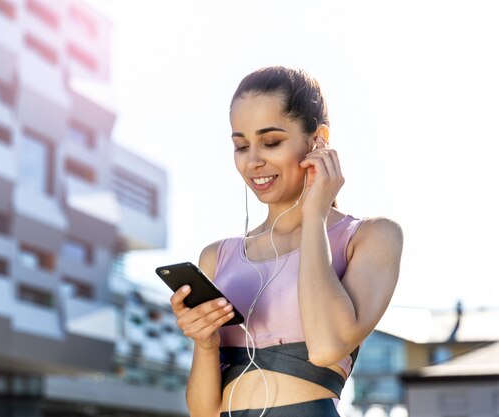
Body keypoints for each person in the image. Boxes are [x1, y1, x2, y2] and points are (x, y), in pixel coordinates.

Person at [169, 66, 403, 417]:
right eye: (241, 145)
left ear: (318, 140)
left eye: (271, 142)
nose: (253, 161)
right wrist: (205, 344)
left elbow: (327, 346)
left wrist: (315, 216)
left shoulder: (371, 237)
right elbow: (204, 413)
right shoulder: (217, 257)